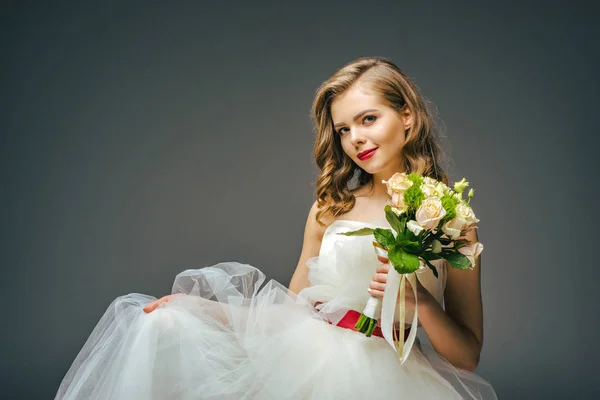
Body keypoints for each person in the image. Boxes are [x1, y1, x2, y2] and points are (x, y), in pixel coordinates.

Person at [55, 56, 498, 399]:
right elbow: (291, 313)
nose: (355, 139)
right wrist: (202, 309)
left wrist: (420, 303)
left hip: (397, 379)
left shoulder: (450, 218)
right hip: (313, 365)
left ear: (408, 117)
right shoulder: (331, 208)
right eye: (343, 129)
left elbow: (466, 357)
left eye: (368, 119)